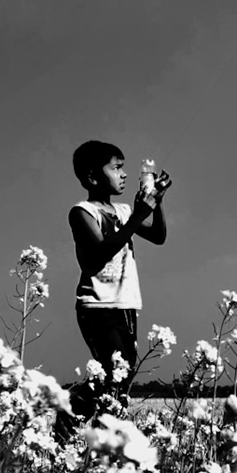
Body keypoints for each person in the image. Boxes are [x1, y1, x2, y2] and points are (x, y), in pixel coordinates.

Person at [65, 140, 171, 424]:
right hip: (98, 304)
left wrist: (156, 203)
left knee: (120, 373)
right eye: (116, 168)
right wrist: (139, 214)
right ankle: (69, 416)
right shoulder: (82, 212)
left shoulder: (124, 211)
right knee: (116, 370)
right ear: (92, 176)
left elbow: (158, 236)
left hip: (125, 303)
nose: (124, 174)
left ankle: (87, 424)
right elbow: (101, 251)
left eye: (124, 168)